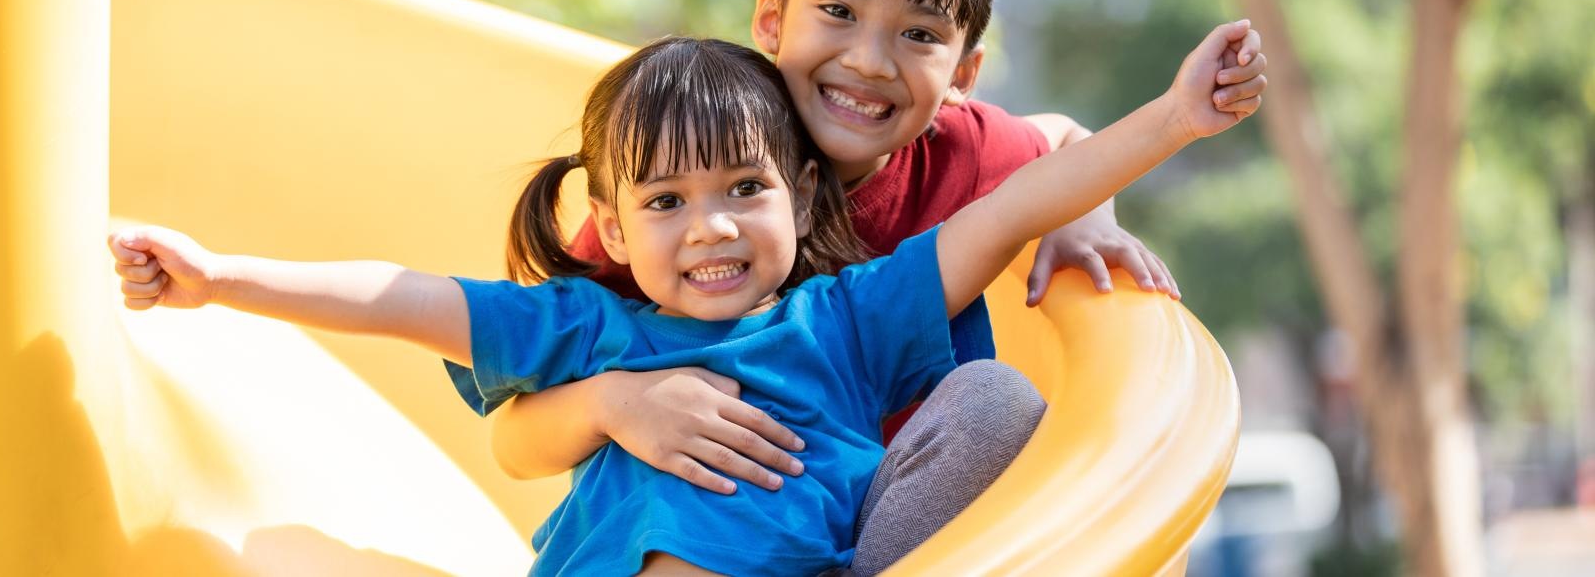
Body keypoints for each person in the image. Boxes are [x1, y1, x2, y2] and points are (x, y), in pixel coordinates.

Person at [110, 30, 1259, 574]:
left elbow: (1013, 207)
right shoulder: (593, 331)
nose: (710, 227)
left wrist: (1176, 120)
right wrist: (221, 279)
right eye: (666, 202)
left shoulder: (846, 319)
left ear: (796, 194)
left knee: (995, 399)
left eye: (742, 189)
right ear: (613, 230)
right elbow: (407, 297)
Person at [485, 0, 1270, 550]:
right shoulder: (681, 186)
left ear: (964, 73)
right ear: (771, 19)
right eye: (837, 10)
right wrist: (615, 403)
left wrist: (1089, 215)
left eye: (919, 33)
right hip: (692, 527)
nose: (868, 60)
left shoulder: (963, 152)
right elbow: (515, 439)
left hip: (867, 527)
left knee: (992, 402)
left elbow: (1062, 140)